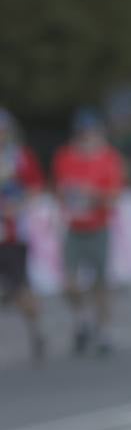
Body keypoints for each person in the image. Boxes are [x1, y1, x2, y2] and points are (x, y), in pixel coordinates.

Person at [53, 109, 125, 356]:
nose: (87, 137)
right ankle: (82, 319)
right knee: (69, 283)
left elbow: (114, 198)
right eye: (83, 133)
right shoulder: (65, 156)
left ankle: (104, 329)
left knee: (101, 283)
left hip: (98, 227)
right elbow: (60, 190)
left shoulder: (109, 158)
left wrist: (92, 195)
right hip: (74, 228)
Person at [0, 108, 47, 361]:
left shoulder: (19, 157)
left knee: (19, 289)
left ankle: (35, 328)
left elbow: (36, 187)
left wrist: (17, 206)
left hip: (12, 235)